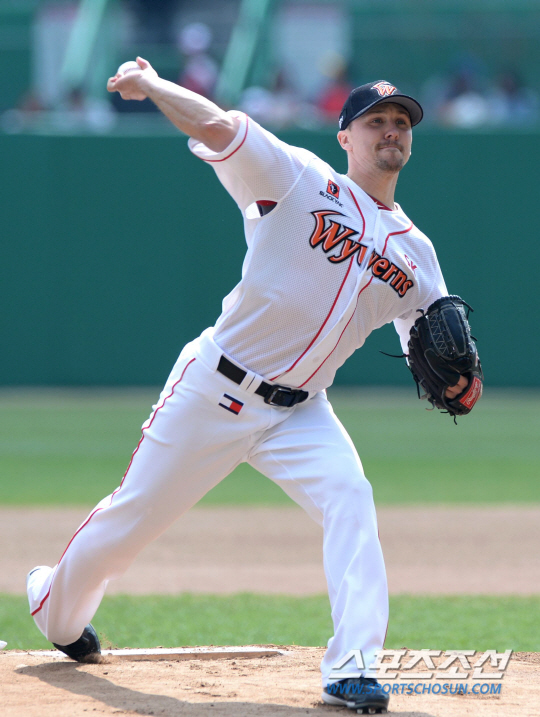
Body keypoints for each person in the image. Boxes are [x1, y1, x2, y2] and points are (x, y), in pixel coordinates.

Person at [27, 61, 468, 713]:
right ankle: (53, 607)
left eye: (401, 121)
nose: (391, 130)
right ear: (345, 137)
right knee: (129, 522)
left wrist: (455, 378)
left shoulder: (416, 251)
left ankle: (352, 668)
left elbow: (424, 329)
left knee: (350, 497)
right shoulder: (298, 178)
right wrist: (153, 86)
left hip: (302, 413)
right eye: (376, 120)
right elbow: (217, 125)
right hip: (217, 388)